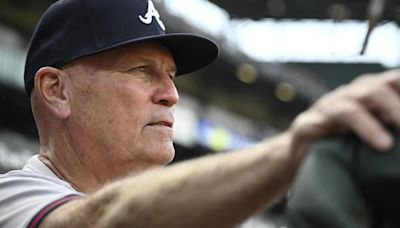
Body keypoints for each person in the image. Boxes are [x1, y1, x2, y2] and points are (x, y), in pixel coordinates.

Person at [1, 0, 400, 227]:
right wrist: (292, 151)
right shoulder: (12, 200)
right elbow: (103, 218)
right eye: (141, 70)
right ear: (57, 90)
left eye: (171, 76)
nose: (171, 94)